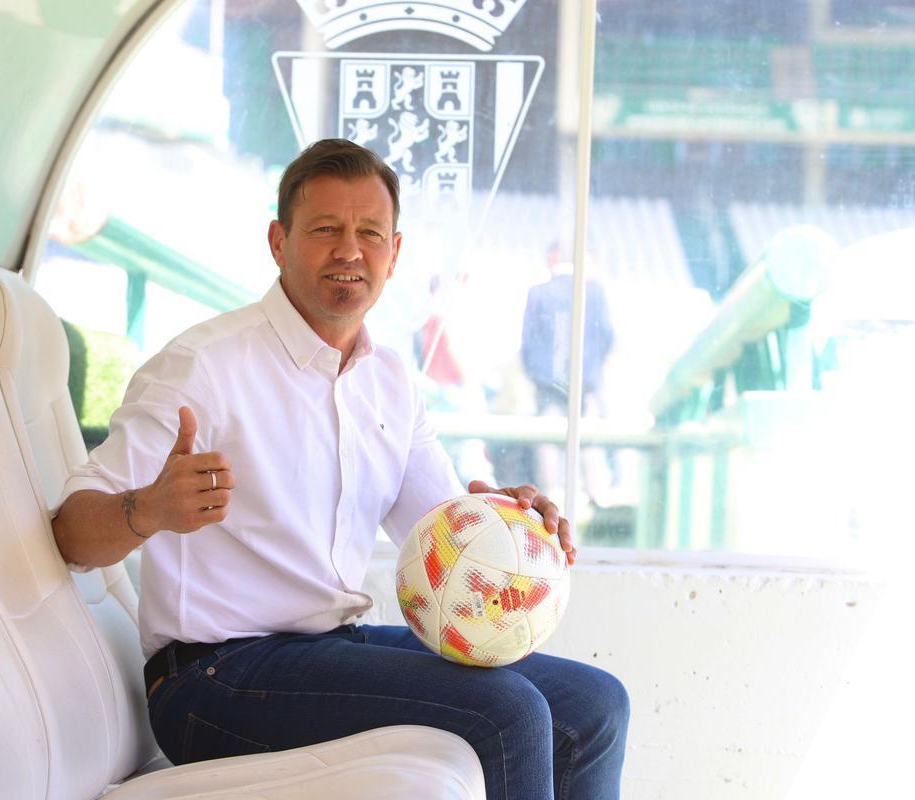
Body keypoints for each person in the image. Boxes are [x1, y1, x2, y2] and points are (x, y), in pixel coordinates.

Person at [52, 139, 630, 799]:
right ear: (279, 241)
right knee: (511, 712)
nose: (349, 251)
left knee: (595, 705)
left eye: (369, 233)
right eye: (325, 230)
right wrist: (147, 510)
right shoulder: (202, 367)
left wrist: (511, 525)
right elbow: (71, 533)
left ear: (394, 251)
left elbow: (442, 535)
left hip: (331, 649)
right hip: (211, 680)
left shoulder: (389, 379)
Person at [520, 241, 615, 505]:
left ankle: (552, 498)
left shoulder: (539, 293)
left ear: (551, 259)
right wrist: (591, 372)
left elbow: (528, 343)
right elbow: (607, 335)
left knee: (548, 442)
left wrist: (541, 377)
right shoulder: (593, 290)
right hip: (586, 383)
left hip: (548, 384)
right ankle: (597, 493)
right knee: (589, 441)